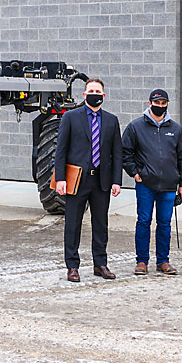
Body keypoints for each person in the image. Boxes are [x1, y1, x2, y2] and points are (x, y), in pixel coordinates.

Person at [54, 78, 122, 283]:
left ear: (104, 95)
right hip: (77, 181)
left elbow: (116, 154)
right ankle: (72, 266)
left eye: (98, 91)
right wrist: (60, 179)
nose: (95, 94)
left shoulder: (111, 120)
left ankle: (100, 264)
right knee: (73, 225)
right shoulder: (71, 117)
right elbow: (61, 151)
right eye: (91, 90)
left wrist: (117, 181)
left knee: (100, 224)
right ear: (84, 95)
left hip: (101, 181)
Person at [122, 89, 182, 275]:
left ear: (167, 104)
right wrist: (135, 173)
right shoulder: (135, 127)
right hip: (145, 184)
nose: (160, 106)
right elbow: (125, 152)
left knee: (165, 224)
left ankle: (163, 261)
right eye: (157, 103)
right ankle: (142, 261)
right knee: (144, 221)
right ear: (149, 103)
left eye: (163, 103)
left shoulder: (175, 129)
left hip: (168, 185)